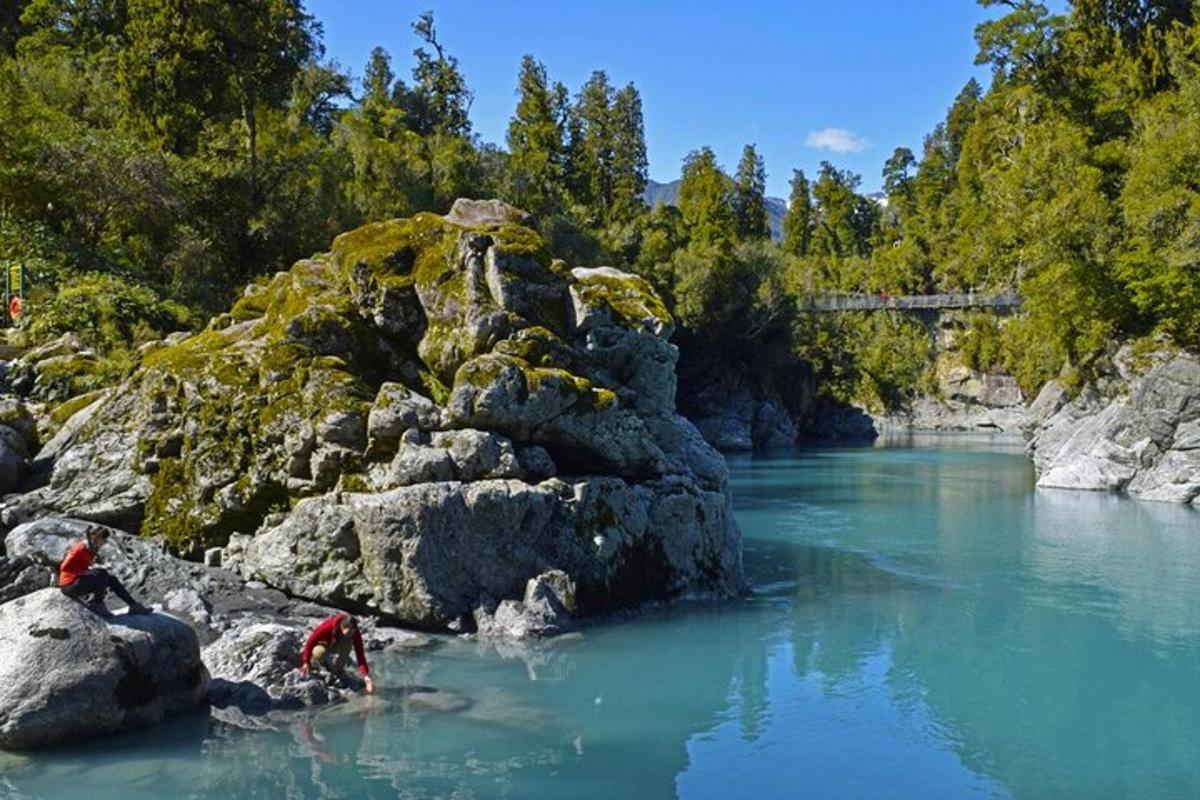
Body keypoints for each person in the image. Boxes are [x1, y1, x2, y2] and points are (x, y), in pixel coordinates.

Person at [59, 525, 151, 616]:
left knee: (111, 579)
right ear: (97, 538)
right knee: (102, 574)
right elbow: (64, 567)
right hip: (68, 586)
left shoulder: (92, 547)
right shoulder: (80, 548)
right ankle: (97, 604)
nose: (105, 542)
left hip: (78, 580)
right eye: (104, 539)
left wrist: (88, 570)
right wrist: (85, 572)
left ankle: (133, 605)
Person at [299, 612, 374, 693]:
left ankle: (339, 669)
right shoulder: (329, 626)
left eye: (353, 632)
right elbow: (310, 642)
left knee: (349, 642)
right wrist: (306, 662)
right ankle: (319, 662)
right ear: (342, 627)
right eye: (349, 633)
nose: (352, 634)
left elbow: (360, 655)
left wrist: (366, 677)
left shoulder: (354, 633)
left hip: (335, 644)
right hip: (321, 645)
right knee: (320, 653)